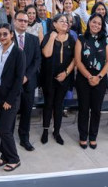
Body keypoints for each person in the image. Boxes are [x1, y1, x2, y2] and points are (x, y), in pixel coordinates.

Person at [74, 13, 108, 148]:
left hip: (100, 78)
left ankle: (93, 136)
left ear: (102, 26)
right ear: (89, 22)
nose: (96, 25)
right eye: (94, 22)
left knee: (96, 109)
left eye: (99, 23)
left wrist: (99, 77)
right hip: (84, 77)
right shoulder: (81, 39)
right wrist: (89, 77)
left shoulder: (106, 40)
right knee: (83, 108)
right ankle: (83, 136)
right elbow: (78, 61)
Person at [0, 24, 24, 171]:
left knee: (4, 130)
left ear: (11, 34)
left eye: (5, 34)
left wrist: (10, 100)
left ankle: (14, 159)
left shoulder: (18, 52)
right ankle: (4, 156)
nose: (2, 37)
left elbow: (19, 79)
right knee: (6, 128)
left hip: (11, 97)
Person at [40, 13, 75, 146]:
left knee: (59, 105)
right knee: (48, 104)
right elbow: (46, 54)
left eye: (67, 22)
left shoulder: (71, 39)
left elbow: (75, 59)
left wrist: (66, 73)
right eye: (62, 21)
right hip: (48, 77)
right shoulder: (49, 36)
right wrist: (52, 37)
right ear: (54, 24)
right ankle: (45, 130)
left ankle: (57, 132)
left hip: (64, 78)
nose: (65, 23)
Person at [11, 11, 41, 151]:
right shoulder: (8, 38)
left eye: (25, 20)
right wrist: (17, 77)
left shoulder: (34, 39)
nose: (23, 22)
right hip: (12, 84)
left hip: (29, 82)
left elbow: (37, 61)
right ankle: (8, 138)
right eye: (20, 20)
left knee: (27, 112)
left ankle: (24, 138)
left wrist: (26, 76)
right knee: (11, 112)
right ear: (15, 21)